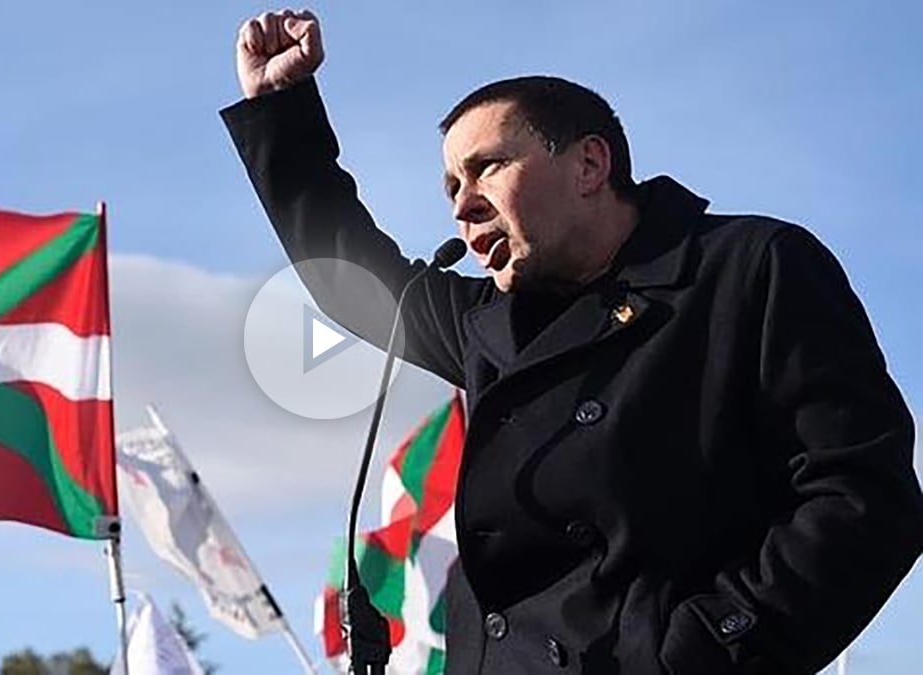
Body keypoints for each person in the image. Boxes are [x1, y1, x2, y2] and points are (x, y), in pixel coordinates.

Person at [220, 9, 923, 674]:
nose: (462, 204)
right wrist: (283, 110)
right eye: (449, 187)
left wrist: (704, 649)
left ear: (590, 165)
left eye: (486, 167)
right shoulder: (484, 325)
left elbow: (863, 496)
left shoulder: (750, 268)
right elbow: (352, 278)